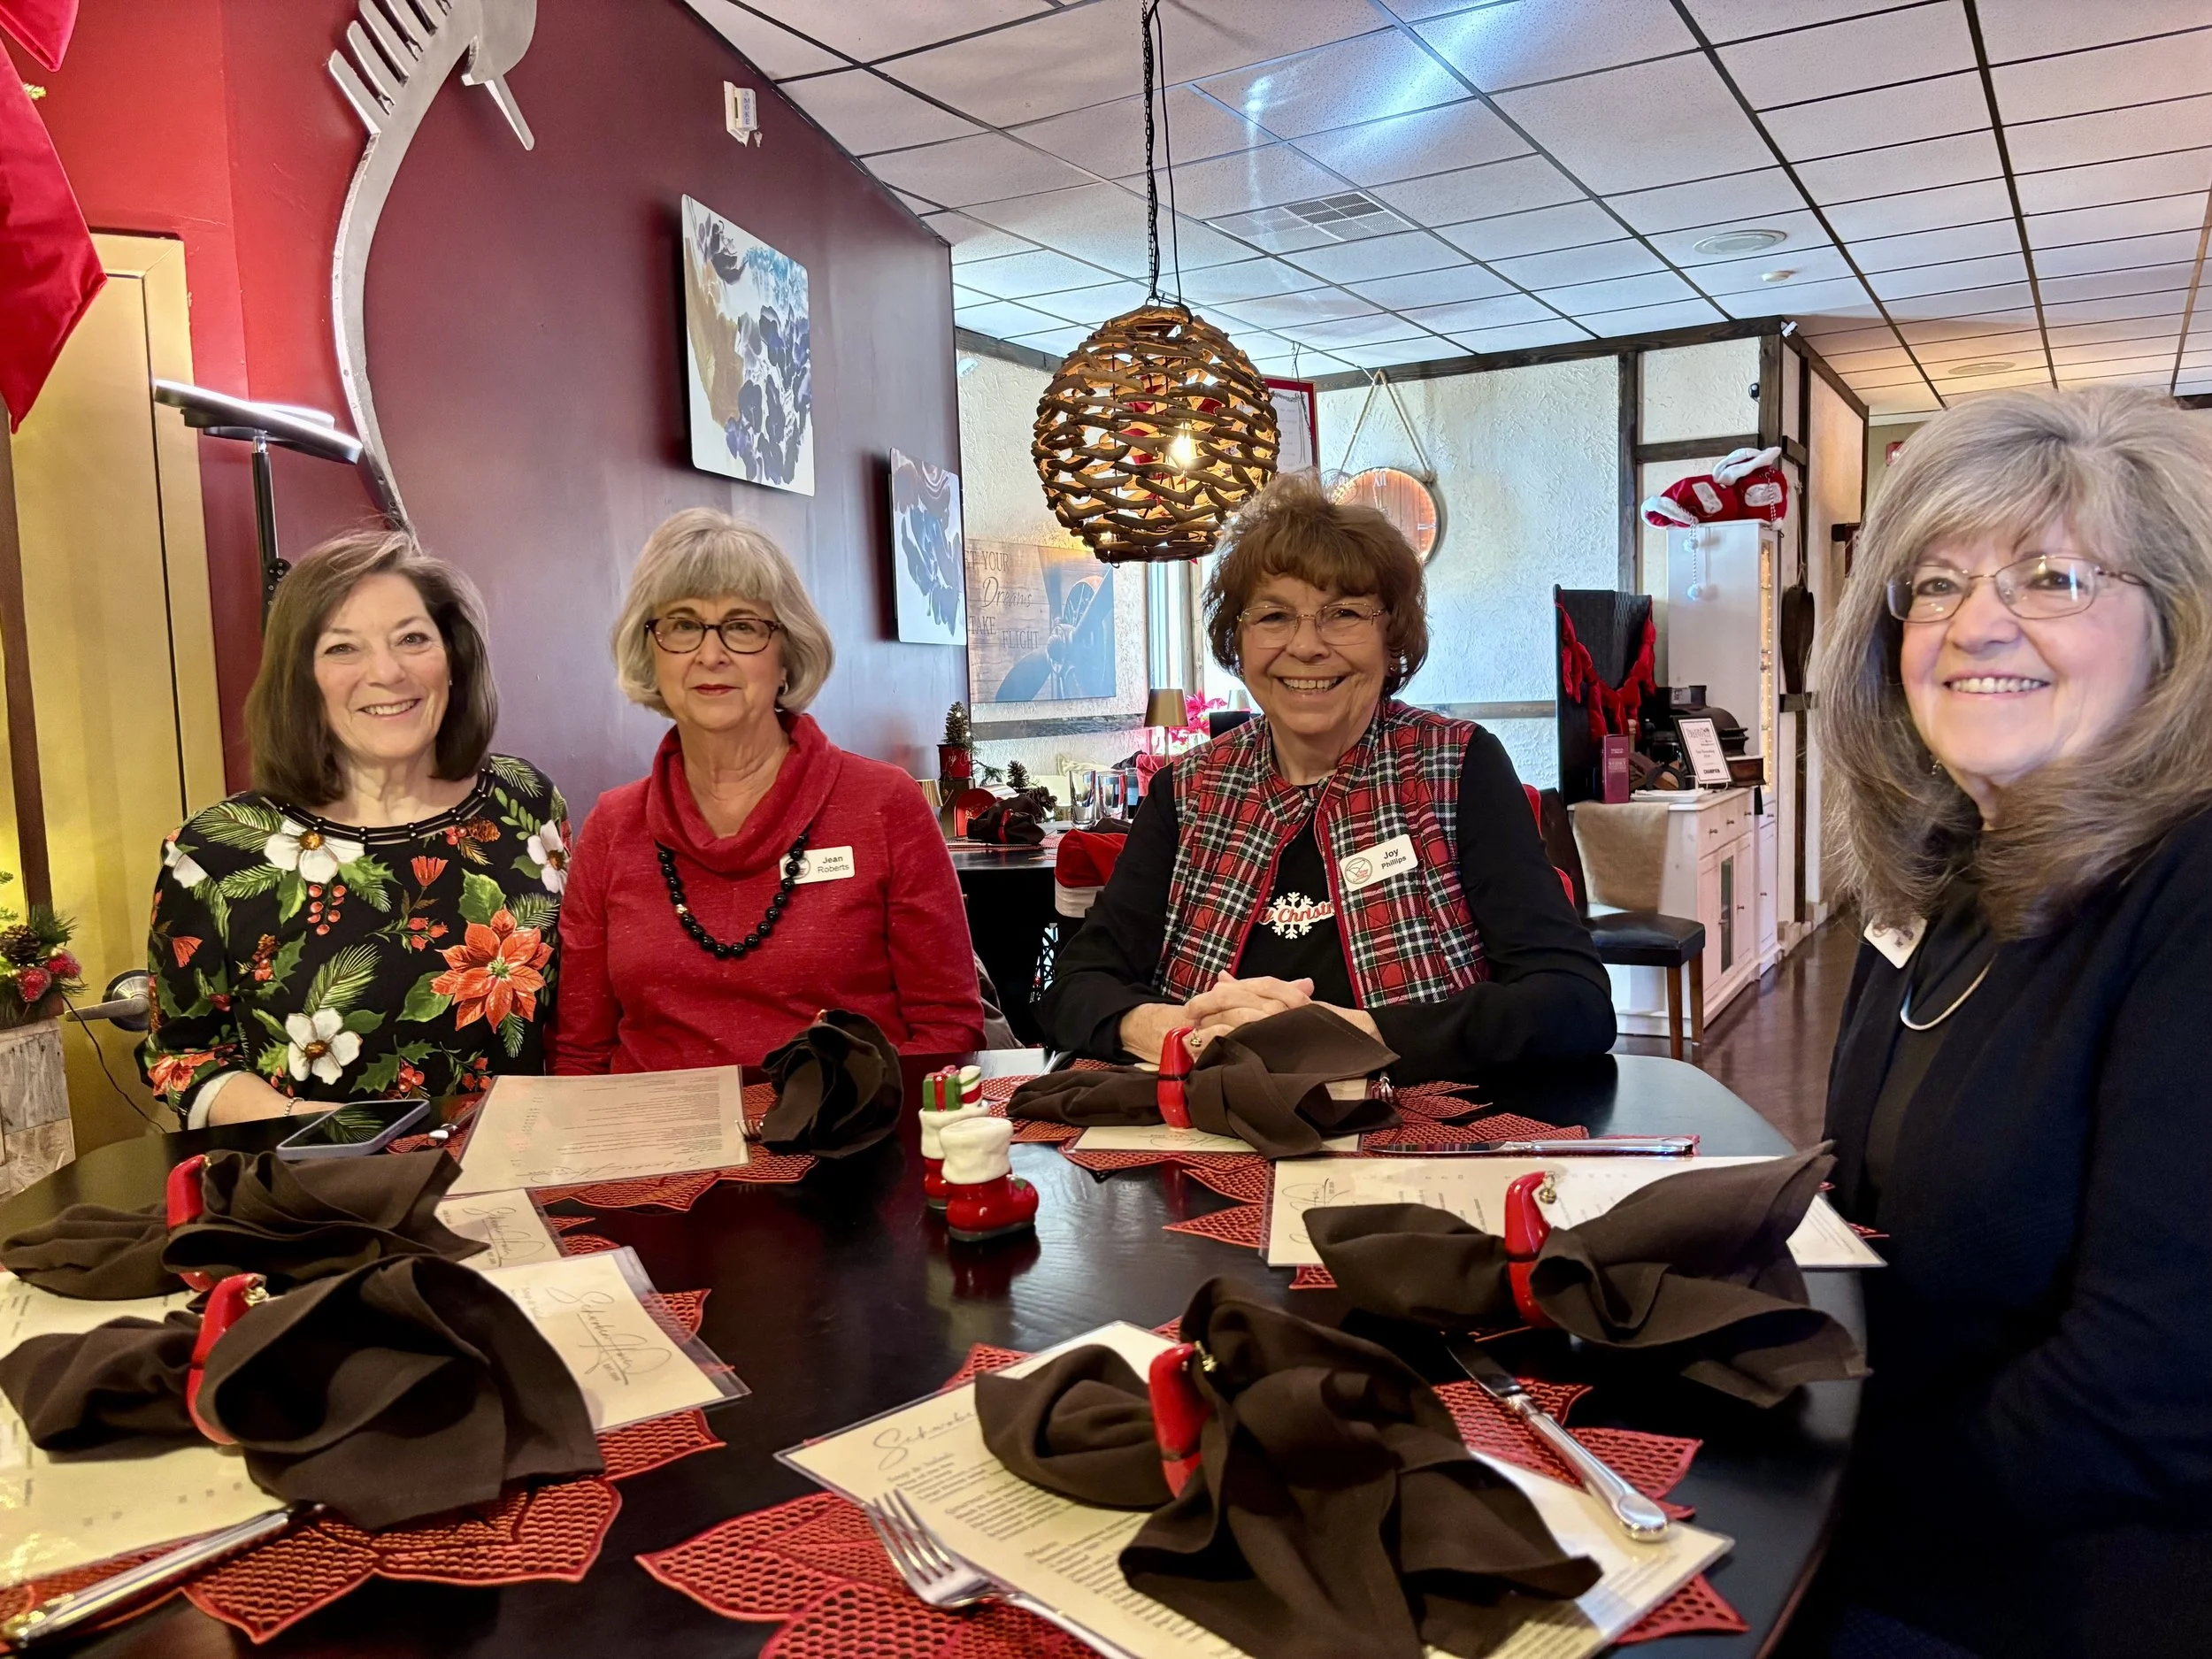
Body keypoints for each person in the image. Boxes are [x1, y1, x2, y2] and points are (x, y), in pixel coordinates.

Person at [1803, 388, 2212, 1659]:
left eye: (2053, 575)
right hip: (1903, 1523)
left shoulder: (2193, 885)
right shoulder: (1941, 874)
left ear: (2177, 629)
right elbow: (1870, 1230)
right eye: (1931, 584)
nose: (1977, 621)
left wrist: (1815, 1483)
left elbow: (2150, 1390)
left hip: (2066, 1592)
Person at [1039, 471, 1614, 1081]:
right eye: (1274, 616)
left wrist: (1359, 1034)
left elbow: (1574, 1003)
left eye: (1343, 613)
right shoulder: (1187, 791)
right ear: (1238, 641)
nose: (1307, 646)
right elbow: (1074, 987)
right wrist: (1175, 1028)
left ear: (1390, 637)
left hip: (1413, 1147)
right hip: (1204, 1135)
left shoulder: (1456, 767)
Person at [142, 532, 567, 1125]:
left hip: (513, 1186)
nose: (387, 672)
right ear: (301, 679)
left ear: (454, 659)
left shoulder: (527, 803)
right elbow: (185, 1058)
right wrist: (316, 1129)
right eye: (343, 648)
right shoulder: (214, 852)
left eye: (412, 639)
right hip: (320, 1197)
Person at [551, 509, 983, 1072]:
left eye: (743, 626)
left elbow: (948, 1032)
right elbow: (580, 1055)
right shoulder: (612, 827)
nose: (711, 654)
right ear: (651, 653)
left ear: (787, 655)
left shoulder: (883, 805)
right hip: (652, 1146)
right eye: (682, 625)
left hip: (844, 1142)